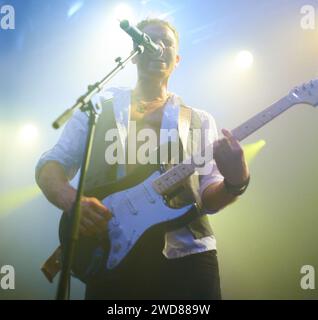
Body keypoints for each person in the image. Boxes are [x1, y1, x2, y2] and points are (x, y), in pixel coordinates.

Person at [35, 18, 250, 300]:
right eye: (149, 40)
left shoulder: (199, 121)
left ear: (177, 59)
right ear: (134, 53)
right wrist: (70, 201)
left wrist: (237, 181)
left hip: (187, 260)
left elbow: (208, 197)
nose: (158, 47)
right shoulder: (99, 108)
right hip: (111, 252)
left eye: (167, 43)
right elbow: (52, 164)